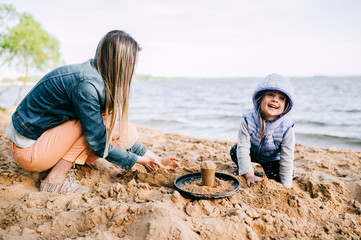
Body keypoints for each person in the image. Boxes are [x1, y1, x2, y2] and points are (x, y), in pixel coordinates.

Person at [6, 30, 180, 194]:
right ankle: (55, 180)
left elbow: (107, 132)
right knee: (89, 126)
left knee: (127, 131)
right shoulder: (87, 85)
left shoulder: (98, 78)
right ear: (121, 62)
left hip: (44, 140)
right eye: (132, 62)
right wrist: (138, 161)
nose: (134, 69)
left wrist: (155, 158)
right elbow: (97, 142)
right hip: (28, 151)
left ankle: (62, 166)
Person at [230, 73, 295, 188]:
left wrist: (287, 186)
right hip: (253, 153)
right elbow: (243, 148)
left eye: (281, 98)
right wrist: (249, 175)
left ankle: (290, 174)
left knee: (276, 175)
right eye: (271, 95)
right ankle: (243, 169)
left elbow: (287, 157)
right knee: (235, 151)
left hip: (271, 159)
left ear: (285, 106)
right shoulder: (248, 121)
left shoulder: (286, 128)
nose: (275, 100)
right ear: (260, 98)